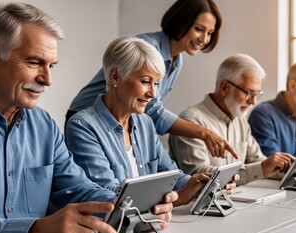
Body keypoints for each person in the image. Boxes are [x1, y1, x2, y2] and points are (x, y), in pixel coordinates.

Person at [0, 3, 177, 233]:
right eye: (34, 62)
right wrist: (33, 232)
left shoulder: (43, 126)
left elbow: (79, 189)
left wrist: (133, 209)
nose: (47, 79)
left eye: (52, 65)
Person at [66, 36, 237, 207]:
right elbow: (109, 194)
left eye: (156, 84)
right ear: (115, 76)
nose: (153, 94)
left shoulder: (145, 123)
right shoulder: (82, 126)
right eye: (146, 82)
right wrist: (176, 198)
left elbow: (170, 174)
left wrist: (202, 183)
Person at [66, 0, 238, 160]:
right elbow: (153, 110)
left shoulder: (177, 60)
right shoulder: (146, 46)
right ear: (181, 21)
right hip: (90, 117)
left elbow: (150, 106)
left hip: (122, 120)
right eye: (199, 29)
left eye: (209, 33)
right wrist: (203, 133)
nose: (204, 39)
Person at [167, 54, 296, 185]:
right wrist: (261, 168)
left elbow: (258, 161)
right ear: (224, 87)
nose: (253, 102)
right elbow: (197, 175)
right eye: (248, 93)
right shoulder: (191, 121)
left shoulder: (240, 121)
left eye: (256, 94)